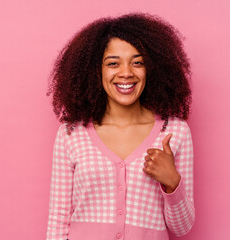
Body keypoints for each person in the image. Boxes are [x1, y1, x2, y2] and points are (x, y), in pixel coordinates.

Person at [46, 13, 195, 240]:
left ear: (152, 68)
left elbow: (182, 228)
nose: (126, 73)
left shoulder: (175, 131)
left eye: (137, 62)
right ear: (96, 70)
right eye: (113, 63)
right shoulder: (71, 133)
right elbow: (58, 221)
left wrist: (172, 182)